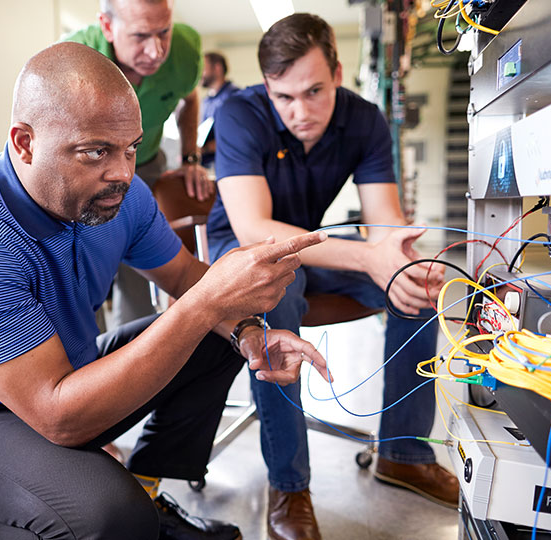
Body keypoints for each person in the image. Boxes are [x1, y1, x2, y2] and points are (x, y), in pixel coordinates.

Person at [0, 41, 330, 540]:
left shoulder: (119, 195)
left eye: (129, 149)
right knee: (108, 516)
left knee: (215, 337)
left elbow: (187, 276)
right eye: (95, 151)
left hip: (65, 375)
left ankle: (145, 494)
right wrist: (210, 301)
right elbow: (59, 418)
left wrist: (249, 329)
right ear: (24, 143)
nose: (122, 172)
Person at [207, 13, 459, 540]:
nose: (300, 112)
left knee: (412, 286)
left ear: (338, 73)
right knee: (278, 287)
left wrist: (398, 257)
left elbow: (385, 223)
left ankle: (403, 454)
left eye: (314, 91)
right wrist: (367, 257)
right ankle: (290, 486)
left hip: (310, 251)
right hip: (246, 255)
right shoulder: (238, 113)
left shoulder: (365, 120)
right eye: (285, 98)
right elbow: (254, 230)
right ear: (268, 88)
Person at [65, 0, 214, 328]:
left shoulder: (186, 49)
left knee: (142, 260)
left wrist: (190, 157)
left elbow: (190, 99)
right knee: (83, 264)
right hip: (84, 171)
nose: (156, 51)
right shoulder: (73, 59)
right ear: (107, 26)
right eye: (140, 36)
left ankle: (132, 350)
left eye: (164, 32)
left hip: (145, 163)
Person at [199, 52, 241, 168]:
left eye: (203, 68)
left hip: (229, 164)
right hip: (207, 164)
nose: (199, 74)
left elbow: (236, 136)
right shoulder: (206, 101)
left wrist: (204, 149)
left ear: (217, 68)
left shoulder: (234, 97)